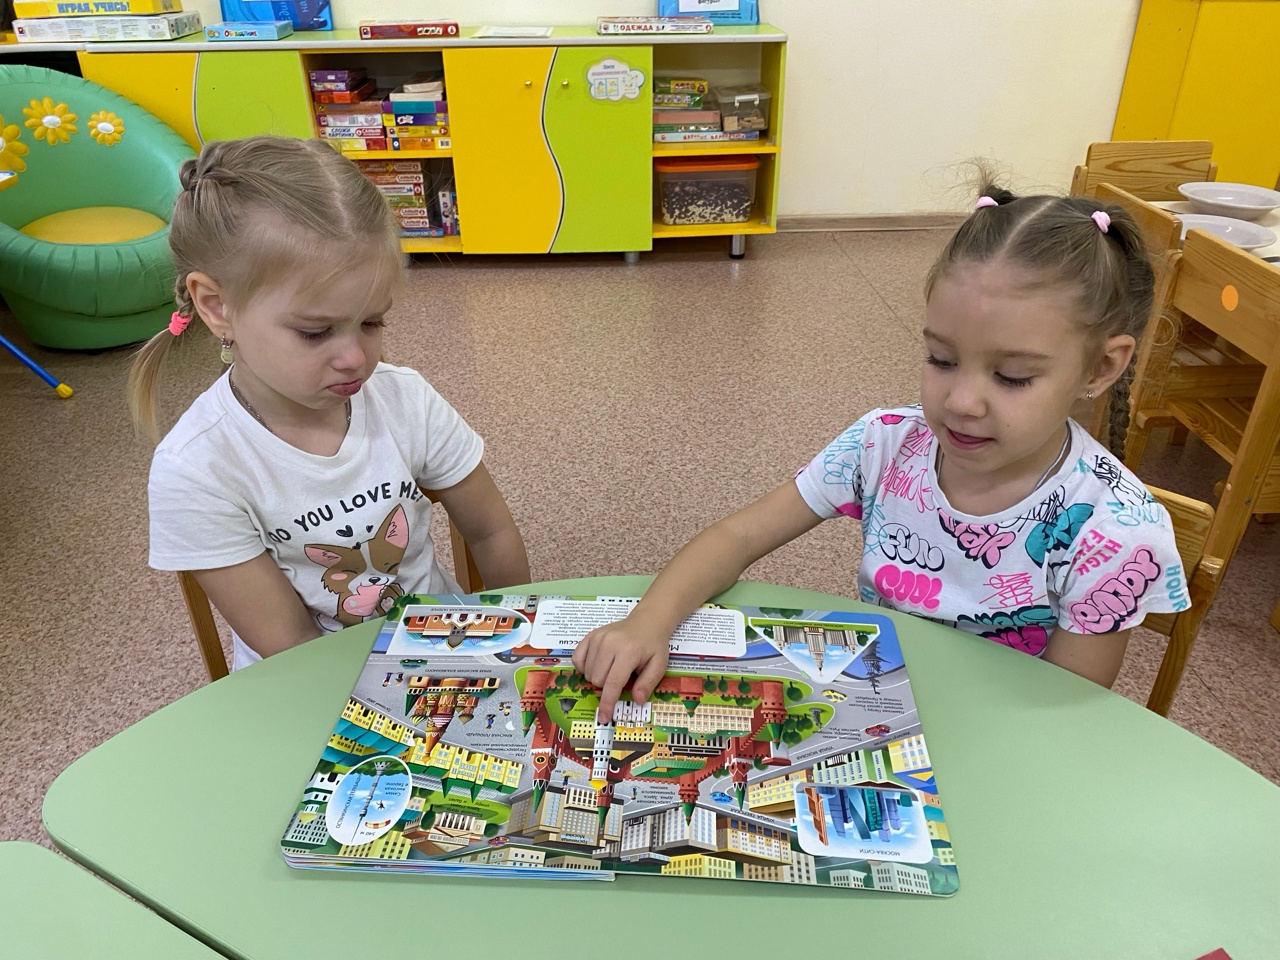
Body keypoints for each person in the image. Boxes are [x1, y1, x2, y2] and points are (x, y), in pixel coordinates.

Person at [575, 183, 1190, 717]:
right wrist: (648, 621)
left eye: (1012, 377)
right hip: (877, 707)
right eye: (940, 359)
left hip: (999, 732)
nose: (962, 402)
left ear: (1101, 367)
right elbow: (736, 538)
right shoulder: (885, 443)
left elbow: (1064, 706)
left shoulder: (1116, 530)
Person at [129, 136, 529, 671]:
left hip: (443, 651)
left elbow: (491, 530)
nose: (355, 358)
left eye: (372, 322)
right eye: (315, 332)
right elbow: (292, 646)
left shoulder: (405, 398)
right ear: (217, 306)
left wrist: (516, 643)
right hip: (312, 681)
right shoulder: (196, 469)